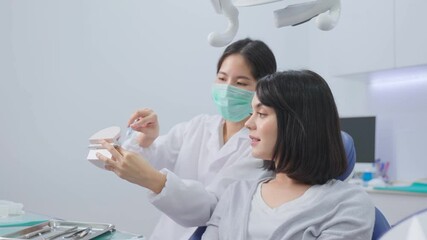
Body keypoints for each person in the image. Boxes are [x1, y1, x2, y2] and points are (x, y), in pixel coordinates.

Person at [96, 38, 278, 240]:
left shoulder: (262, 147)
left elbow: (212, 209)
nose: (227, 89)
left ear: (263, 88)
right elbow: (148, 159)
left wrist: (155, 181)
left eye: (240, 83)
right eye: (222, 78)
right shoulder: (198, 126)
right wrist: (146, 140)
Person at [201, 70, 375, 240]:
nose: (248, 123)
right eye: (251, 113)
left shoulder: (347, 204)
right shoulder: (236, 193)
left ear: (298, 123)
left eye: (261, 114)